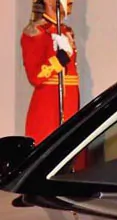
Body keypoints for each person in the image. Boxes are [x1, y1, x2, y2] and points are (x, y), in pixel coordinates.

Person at [21, 0, 79, 146]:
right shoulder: (36, 32)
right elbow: (35, 76)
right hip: (48, 109)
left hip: (70, 105)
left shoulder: (66, 31)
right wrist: (60, 60)